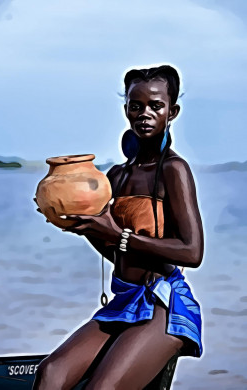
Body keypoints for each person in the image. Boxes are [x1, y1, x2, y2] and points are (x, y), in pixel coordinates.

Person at [33, 64, 204, 390]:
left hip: (162, 305)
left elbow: (192, 252)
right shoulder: (115, 177)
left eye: (156, 105)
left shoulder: (174, 169)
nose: (144, 113)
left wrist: (118, 235)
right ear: (125, 109)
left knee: (102, 388)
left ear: (173, 111)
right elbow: (118, 252)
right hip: (123, 302)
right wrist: (84, 229)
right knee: (50, 373)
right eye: (135, 105)